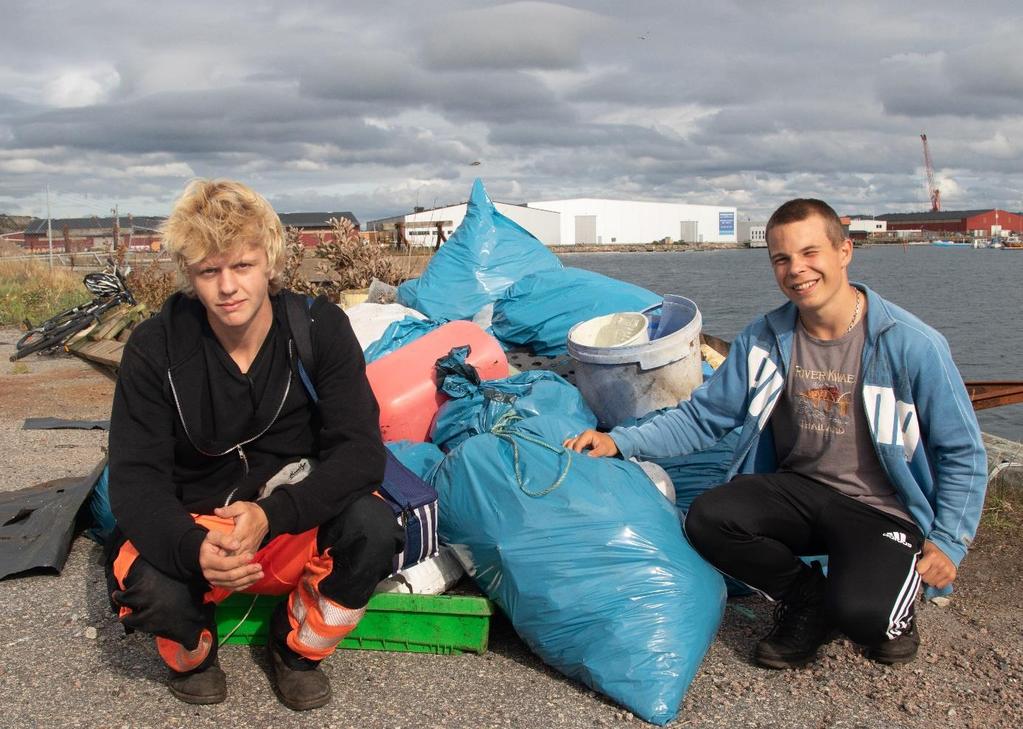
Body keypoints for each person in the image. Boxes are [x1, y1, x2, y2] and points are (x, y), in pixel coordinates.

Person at [565, 198, 987, 669]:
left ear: (844, 251)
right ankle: (807, 598)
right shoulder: (764, 339)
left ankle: (886, 606)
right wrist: (622, 440)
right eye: (781, 259)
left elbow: (962, 451)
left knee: (866, 622)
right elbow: (704, 418)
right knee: (710, 516)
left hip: (882, 510)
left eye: (810, 254)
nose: (797, 270)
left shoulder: (911, 344)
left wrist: (950, 541)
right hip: (802, 490)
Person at [106, 179, 403, 709]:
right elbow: (134, 481)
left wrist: (271, 515)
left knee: (375, 530)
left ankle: (296, 649)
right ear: (188, 276)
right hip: (200, 527)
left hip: (290, 520)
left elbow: (360, 454)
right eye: (207, 271)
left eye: (241, 265)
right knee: (147, 585)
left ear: (270, 261)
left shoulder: (319, 328)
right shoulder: (155, 348)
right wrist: (191, 546)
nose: (227, 287)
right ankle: (193, 650)